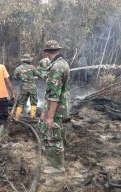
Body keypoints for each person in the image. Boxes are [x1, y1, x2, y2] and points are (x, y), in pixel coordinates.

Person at [39, 40, 70, 173]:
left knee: (53, 135)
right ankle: (52, 162)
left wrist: (50, 116)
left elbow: (54, 95)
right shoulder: (63, 63)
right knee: (53, 134)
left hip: (56, 108)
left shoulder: (56, 67)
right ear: (58, 50)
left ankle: (57, 167)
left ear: (46, 53)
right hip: (58, 106)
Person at [13, 53, 41, 120]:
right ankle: (32, 117)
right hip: (32, 87)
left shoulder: (18, 68)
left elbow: (15, 77)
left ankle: (17, 116)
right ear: (29, 60)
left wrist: (21, 78)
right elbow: (39, 75)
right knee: (33, 101)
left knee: (22, 102)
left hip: (24, 88)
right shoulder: (32, 67)